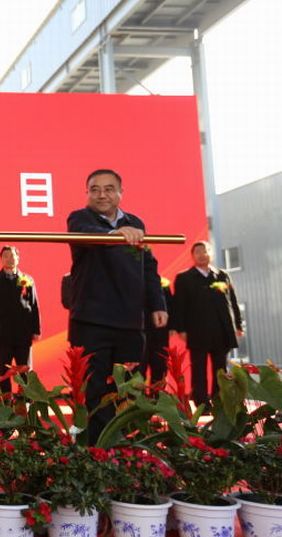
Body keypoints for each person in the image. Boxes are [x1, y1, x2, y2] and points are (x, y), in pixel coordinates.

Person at [67, 169, 166, 443]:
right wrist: (116, 233)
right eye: (95, 189)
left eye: (109, 189)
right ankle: (97, 450)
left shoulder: (135, 223)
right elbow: (89, 235)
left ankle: (126, 449)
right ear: (87, 193)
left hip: (130, 321)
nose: (102, 195)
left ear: (120, 193)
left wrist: (157, 304)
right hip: (91, 321)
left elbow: (149, 267)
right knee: (95, 389)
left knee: (129, 388)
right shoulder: (79, 218)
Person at [170, 241, 244, 406]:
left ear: (212, 253)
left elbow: (233, 301)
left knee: (220, 369)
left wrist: (238, 325)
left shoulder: (222, 275)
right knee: (199, 369)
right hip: (197, 331)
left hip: (221, 331)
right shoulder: (184, 278)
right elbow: (178, 305)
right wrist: (180, 329)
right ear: (192, 255)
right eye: (198, 252)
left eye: (205, 251)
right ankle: (201, 403)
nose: (202, 255)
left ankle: (220, 402)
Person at [0, 246, 41, 394]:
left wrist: (36, 330)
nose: (9, 259)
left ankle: (26, 400)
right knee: (4, 371)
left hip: (24, 332)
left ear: (18, 258)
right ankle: (5, 402)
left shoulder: (27, 280)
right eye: (6, 256)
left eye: (12, 256)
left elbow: (34, 306)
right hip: (3, 332)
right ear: (1, 259)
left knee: (25, 370)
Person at [141, 277, 173, 387]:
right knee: (139, 370)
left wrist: (172, 327)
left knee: (160, 368)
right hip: (138, 331)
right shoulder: (133, 280)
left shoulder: (162, 283)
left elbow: (170, 306)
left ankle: (159, 395)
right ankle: (138, 396)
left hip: (160, 333)